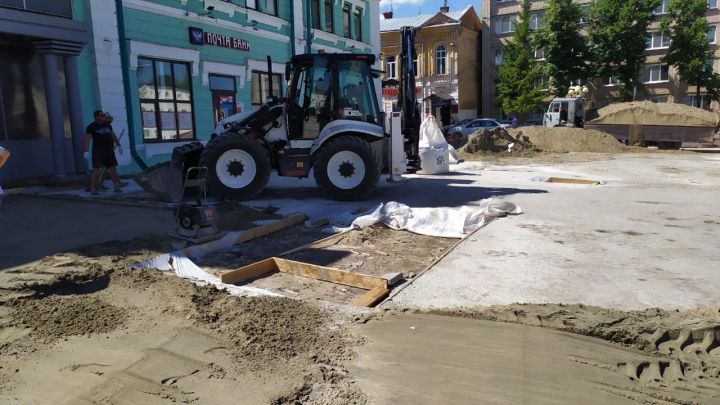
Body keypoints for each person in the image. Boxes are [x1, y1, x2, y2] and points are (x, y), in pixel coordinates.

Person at [83, 110, 125, 195]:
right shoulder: (91, 127)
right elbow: (87, 140)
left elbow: (113, 135)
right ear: (96, 117)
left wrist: (119, 145)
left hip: (109, 151)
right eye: (102, 115)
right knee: (96, 170)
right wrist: (86, 151)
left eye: (104, 115)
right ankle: (93, 190)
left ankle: (116, 187)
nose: (104, 117)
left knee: (113, 169)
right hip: (98, 152)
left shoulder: (107, 125)